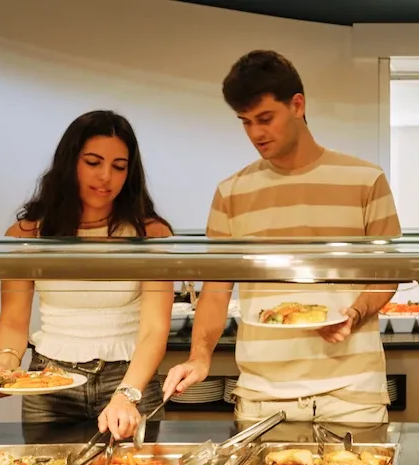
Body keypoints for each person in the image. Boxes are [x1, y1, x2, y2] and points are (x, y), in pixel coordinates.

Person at [163, 50, 401, 423]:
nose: (256, 133)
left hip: (352, 395)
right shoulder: (231, 192)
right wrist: (200, 356)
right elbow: (216, 289)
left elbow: (388, 274)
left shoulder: (365, 179)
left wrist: (355, 313)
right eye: (245, 122)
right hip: (263, 397)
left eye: (265, 118)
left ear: (297, 105)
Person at [0, 110, 174, 440]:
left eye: (118, 167)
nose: (106, 177)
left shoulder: (151, 233)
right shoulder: (27, 235)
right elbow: (13, 321)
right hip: (49, 383)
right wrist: (6, 365)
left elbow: (155, 328)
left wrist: (127, 393)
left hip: (129, 378)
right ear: (70, 163)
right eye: (93, 162)